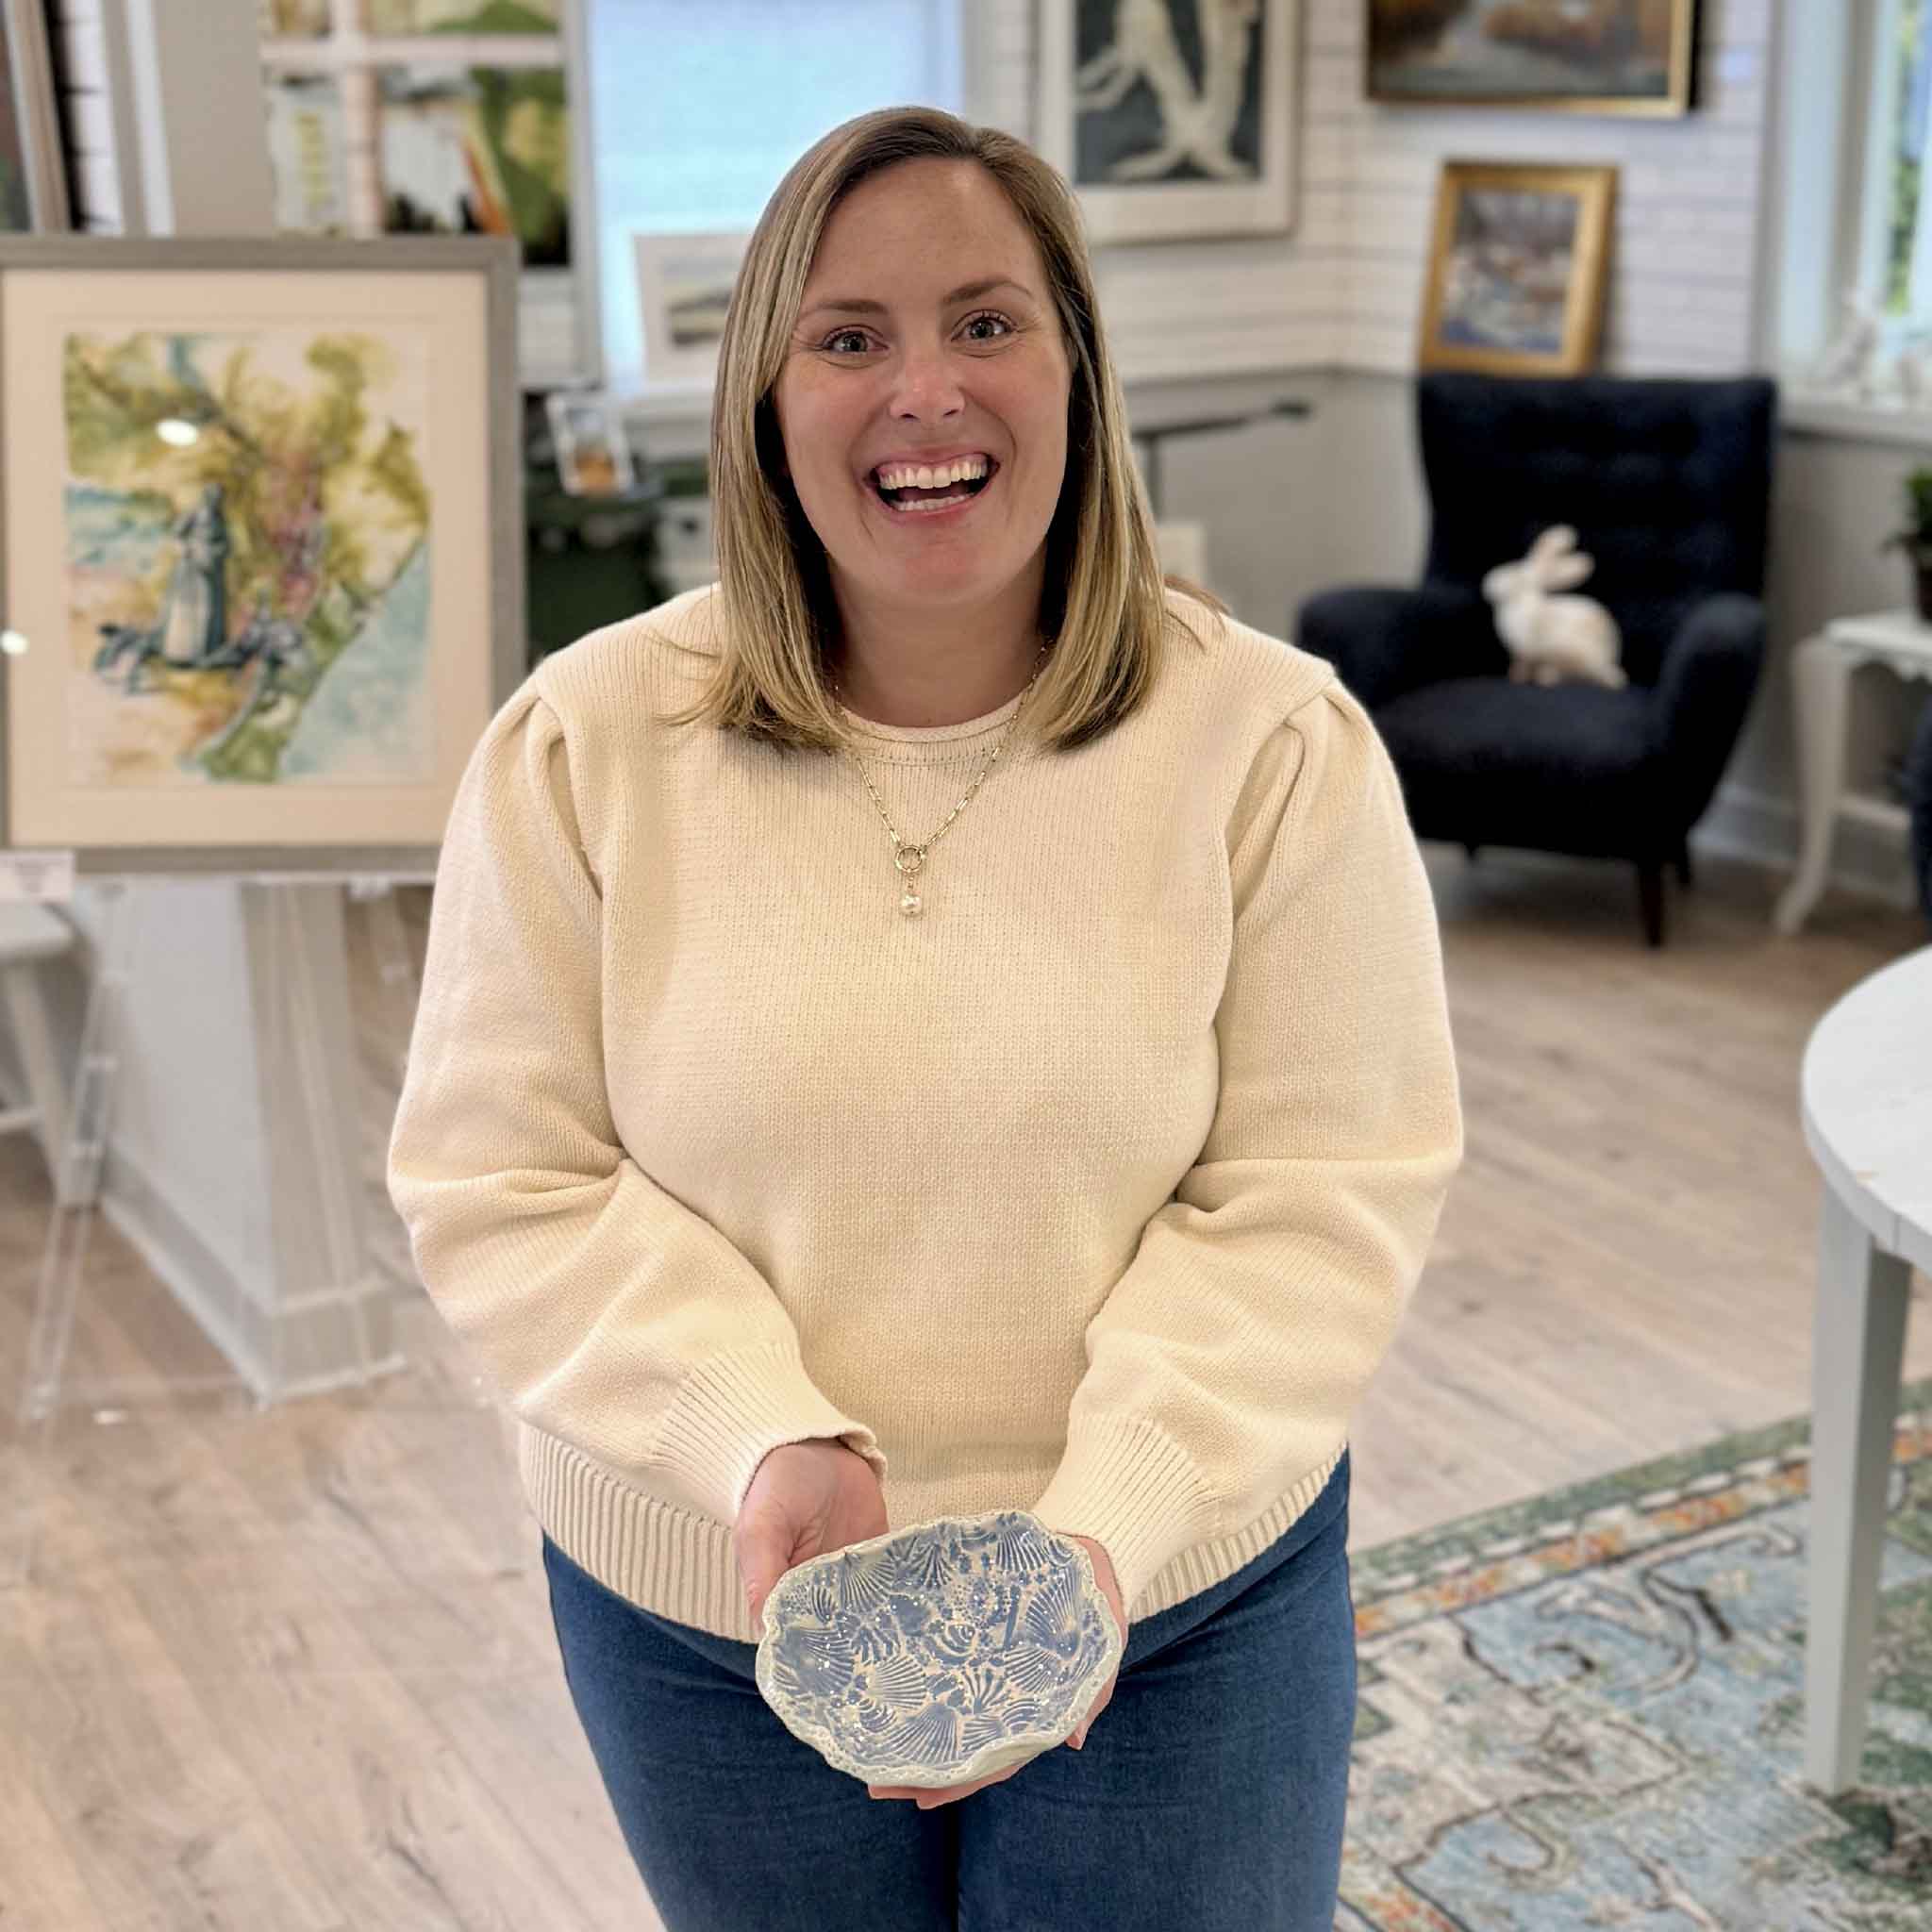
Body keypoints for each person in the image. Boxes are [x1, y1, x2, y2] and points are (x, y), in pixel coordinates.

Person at [387, 104, 1463, 1932]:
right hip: (703, 1604)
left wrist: (1099, 1530)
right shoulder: (582, 741)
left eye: (985, 321)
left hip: (1178, 1584)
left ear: (1076, 369)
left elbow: (1317, 1188)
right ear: (763, 395)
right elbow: (505, 1173)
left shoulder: (1271, 744)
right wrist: (755, 1434)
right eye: (848, 335)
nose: (925, 392)